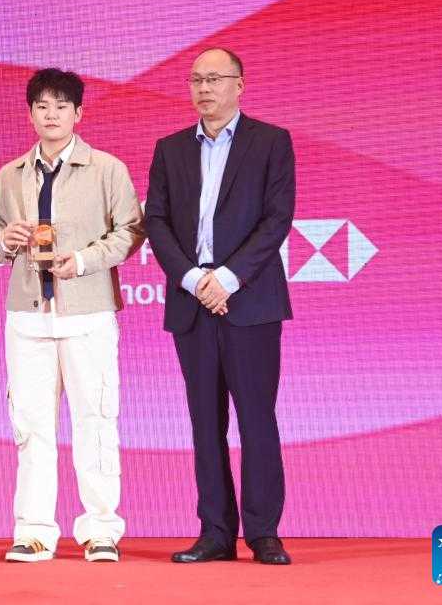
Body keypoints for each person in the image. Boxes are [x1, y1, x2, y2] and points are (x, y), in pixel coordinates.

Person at [0, 68, 145, 563]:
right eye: (42, 106)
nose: (51, 115)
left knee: (96, 420)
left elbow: (131, 231)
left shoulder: (106, 169)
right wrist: (3, 240)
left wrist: (84, 260)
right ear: (30, 114)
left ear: (79, 113)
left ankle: (101, 529)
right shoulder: (10, 174)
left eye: (61, 106)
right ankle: (34, 529)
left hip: (88, 313)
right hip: (28, 316)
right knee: (30, 425)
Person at [145, 48, 295, 565]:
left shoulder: (271, 142)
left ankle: (264, 532)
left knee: (256, 419)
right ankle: (215, 532)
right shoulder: (170, 149)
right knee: (204, 423)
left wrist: (227, 279)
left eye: (214, 79)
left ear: (239, 84)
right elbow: (157, 221)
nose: (204, 88)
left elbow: (276, 219)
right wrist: (192, 279)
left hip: (249, 300)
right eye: (196, 80)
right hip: (192, 302)